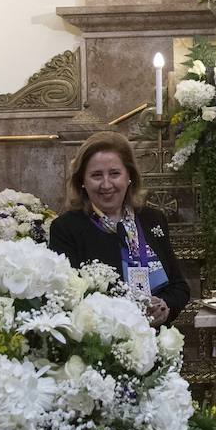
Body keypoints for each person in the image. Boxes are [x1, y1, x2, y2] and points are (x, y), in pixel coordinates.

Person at [48, 132, 189, 326]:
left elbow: (179, 286)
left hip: (156, 340)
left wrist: (165, 307)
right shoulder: (66, 228)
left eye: (114, 173)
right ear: (82, 181)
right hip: (102, 341)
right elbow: (66, 298)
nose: (106, 184)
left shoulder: (152, 219)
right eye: (96, 175)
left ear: (129, 176)